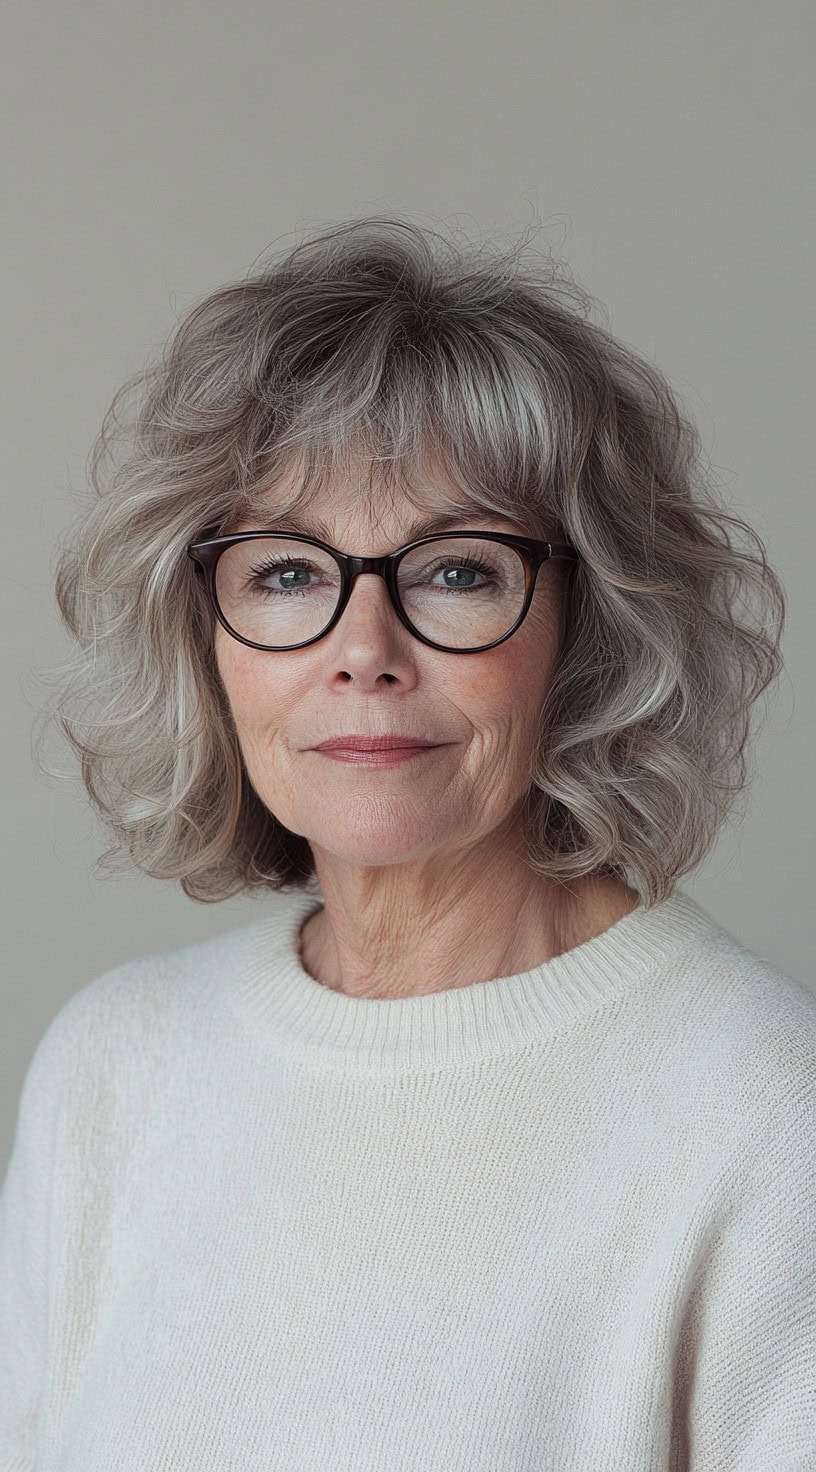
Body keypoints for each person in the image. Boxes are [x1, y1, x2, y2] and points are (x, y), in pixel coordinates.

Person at [1, 216, 813, 1470]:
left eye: (455, 571)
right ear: (205, 638)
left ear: (587, 629)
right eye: (284, 573)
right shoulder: (113, 1068)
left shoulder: (764, 1108)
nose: (362, 648)